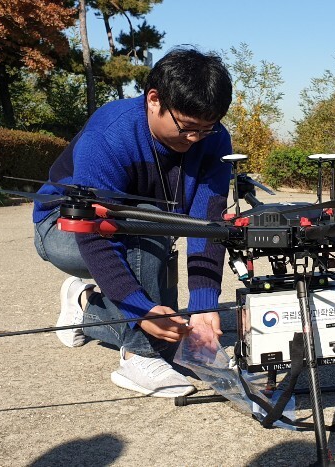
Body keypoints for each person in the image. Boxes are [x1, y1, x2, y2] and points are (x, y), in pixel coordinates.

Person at [31, 47, 233, 397]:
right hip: (64, 228)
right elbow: (95, 235)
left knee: (169, 327)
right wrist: (141, 310)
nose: (195, 139)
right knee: (152, 315)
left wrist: (204, 304)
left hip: (145, 234)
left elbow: (207, 226)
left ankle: (85, 306)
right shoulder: (110, 135)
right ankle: (137, 358)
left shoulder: (215, 140)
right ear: (154, 99)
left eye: (206, 129)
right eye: (187, 128)